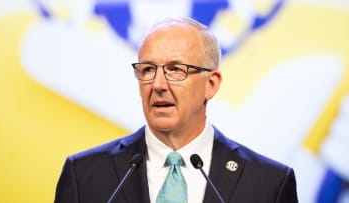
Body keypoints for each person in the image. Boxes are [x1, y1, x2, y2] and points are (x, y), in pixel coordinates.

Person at [54, 17, 298, 203]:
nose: (158, 85)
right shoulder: (84, 174)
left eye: (175, 70)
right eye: (148, 70)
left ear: (210, 85)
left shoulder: (268, 184)